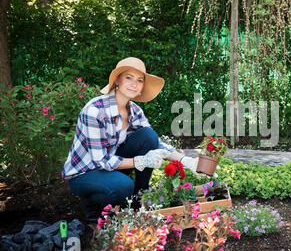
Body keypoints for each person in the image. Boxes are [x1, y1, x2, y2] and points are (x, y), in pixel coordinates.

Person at [61, 57, 215, 224]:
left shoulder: (134, 110)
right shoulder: (95, 111)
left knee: (147, 135)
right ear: (117, 80)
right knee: (123, 186)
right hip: (84, 174)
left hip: (110, 165)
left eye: (139, 80)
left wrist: (187, 161)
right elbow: (101, 161)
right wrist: (139, 161)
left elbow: (155, 144)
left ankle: (138, 199)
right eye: (128, 77)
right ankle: (92, 206)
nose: (134, 84)